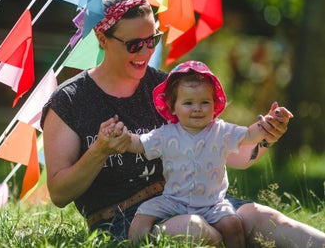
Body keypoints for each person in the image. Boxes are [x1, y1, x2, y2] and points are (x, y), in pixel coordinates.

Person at [40, 0, 325, 246]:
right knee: (196, 230)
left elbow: (220, 146)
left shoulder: (169, 90)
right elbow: (60, 194)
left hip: (196, 201)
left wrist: (264, 138)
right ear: (102, 38)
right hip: (122, 219)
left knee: (267, 218)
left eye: (152, 40)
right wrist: (99, 151)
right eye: (134, 45)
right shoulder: (70, 100)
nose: (146, 51)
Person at [101, 60, 292, 247]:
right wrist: (123, 137)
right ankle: (135, 244)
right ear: (172, 106)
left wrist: (268, 123)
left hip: (213, 202)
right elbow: (140, 144)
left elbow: (249, 135)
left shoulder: (221, 131)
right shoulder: (166, 134)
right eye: (188, 103)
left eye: (204, 102)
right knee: (142, 216)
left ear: (214, 104)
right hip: (173, 200)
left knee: (233, 225)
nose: (197, 109)